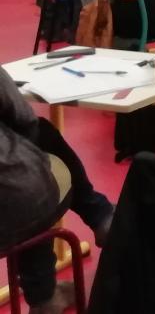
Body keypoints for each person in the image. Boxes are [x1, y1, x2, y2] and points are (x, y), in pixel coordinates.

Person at [1, 67, 113, 314]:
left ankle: (45, 294)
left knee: (22, 187)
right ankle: (99, 213)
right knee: (27, 182)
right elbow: (24, 119)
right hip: (19, 203)